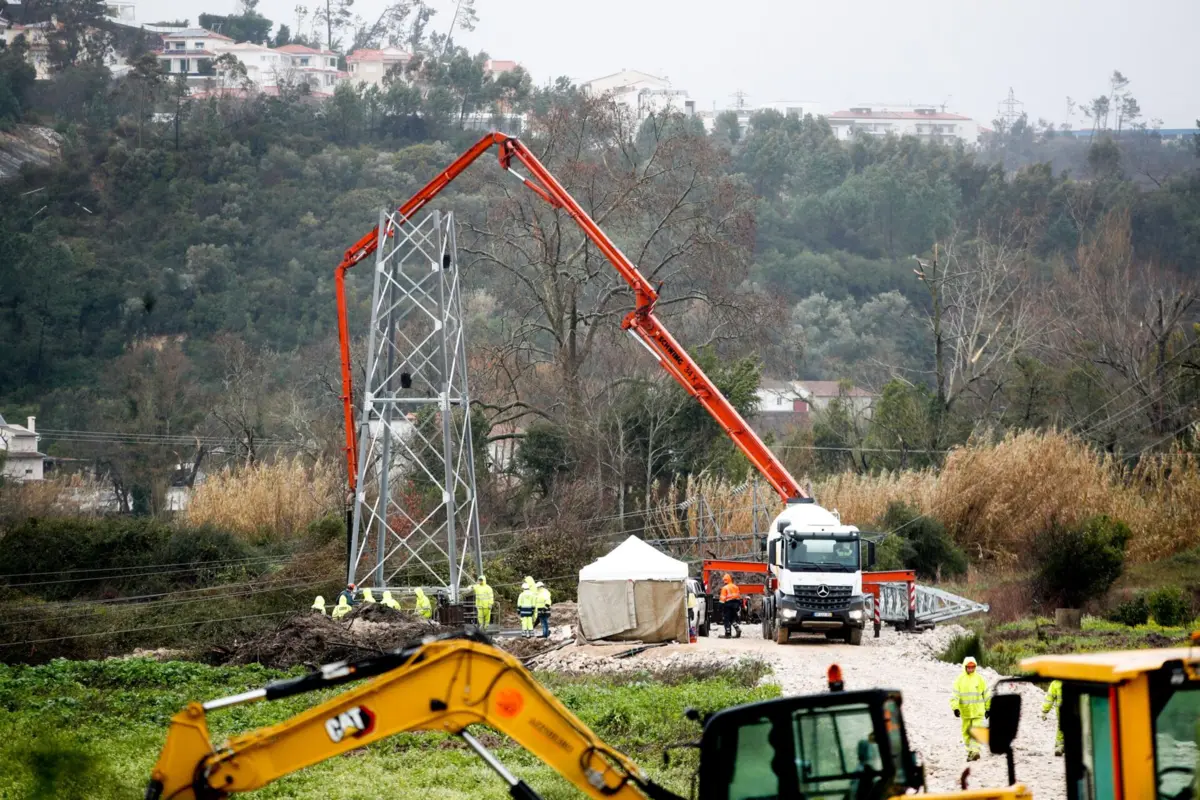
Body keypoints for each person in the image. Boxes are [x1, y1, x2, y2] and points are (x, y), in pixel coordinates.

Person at [950, 656, 991, 762]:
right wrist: (955, 708)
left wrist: (988, 708)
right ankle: (970, 751)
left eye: (973, 667)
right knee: (967, 732)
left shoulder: (980, 679)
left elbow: (986, 694)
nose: (971, 669)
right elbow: (955, 695)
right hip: (966, 712)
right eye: (969, 667)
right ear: (965, 667)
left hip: (978, 711)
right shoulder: (959, 680)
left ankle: (975, 751)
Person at [1041, 679, 1063, 756]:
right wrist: (1044, 711)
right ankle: (1060, 747)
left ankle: (1060, 746)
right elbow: (1049, 699)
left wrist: (1044, 711)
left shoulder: (1056, 683)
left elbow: (1049, 699)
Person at [718, 574, 742, 639]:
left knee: (726, 619)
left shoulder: (725, 588)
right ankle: (737, 629)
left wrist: (719, 607)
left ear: (725, 580)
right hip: (735, 605)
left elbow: (722, 599)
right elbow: (738, 597)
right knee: (732, 619)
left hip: (728, 605)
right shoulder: (735, 587)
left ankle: (728, 634)